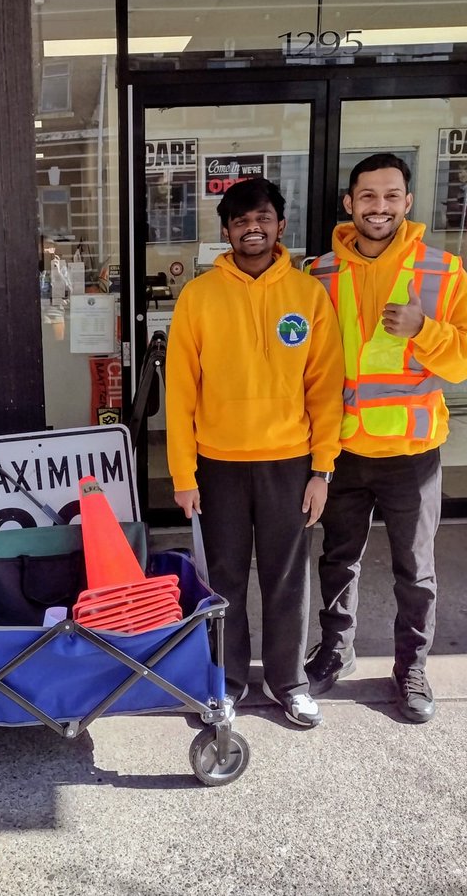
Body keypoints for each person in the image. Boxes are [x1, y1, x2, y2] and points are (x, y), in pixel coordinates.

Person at [305, 153, 467, 723]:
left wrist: (424, 329)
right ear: (349, 203)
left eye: (391, 196)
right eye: (368, 196)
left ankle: (411, 667)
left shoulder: (440, 271)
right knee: (338, 563)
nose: (379, 207)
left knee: (416, 571)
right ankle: (334, 653)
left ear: (407, 203)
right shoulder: (318, 274)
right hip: (339, 453)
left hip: (411, 455)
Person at [166, 178, 344, 728]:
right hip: (218, 465)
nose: (252, 228)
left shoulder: (307, 295)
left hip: (289, 463)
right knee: (223, 580)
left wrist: (322, 469)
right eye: (241, 221)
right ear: (226, 231)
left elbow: (325, 386)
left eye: (262, 218)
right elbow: (180, 393)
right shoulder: (198, 297)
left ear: (280, 225)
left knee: (287, 578)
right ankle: (229, 682)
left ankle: (288, 682)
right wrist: (182, 474)